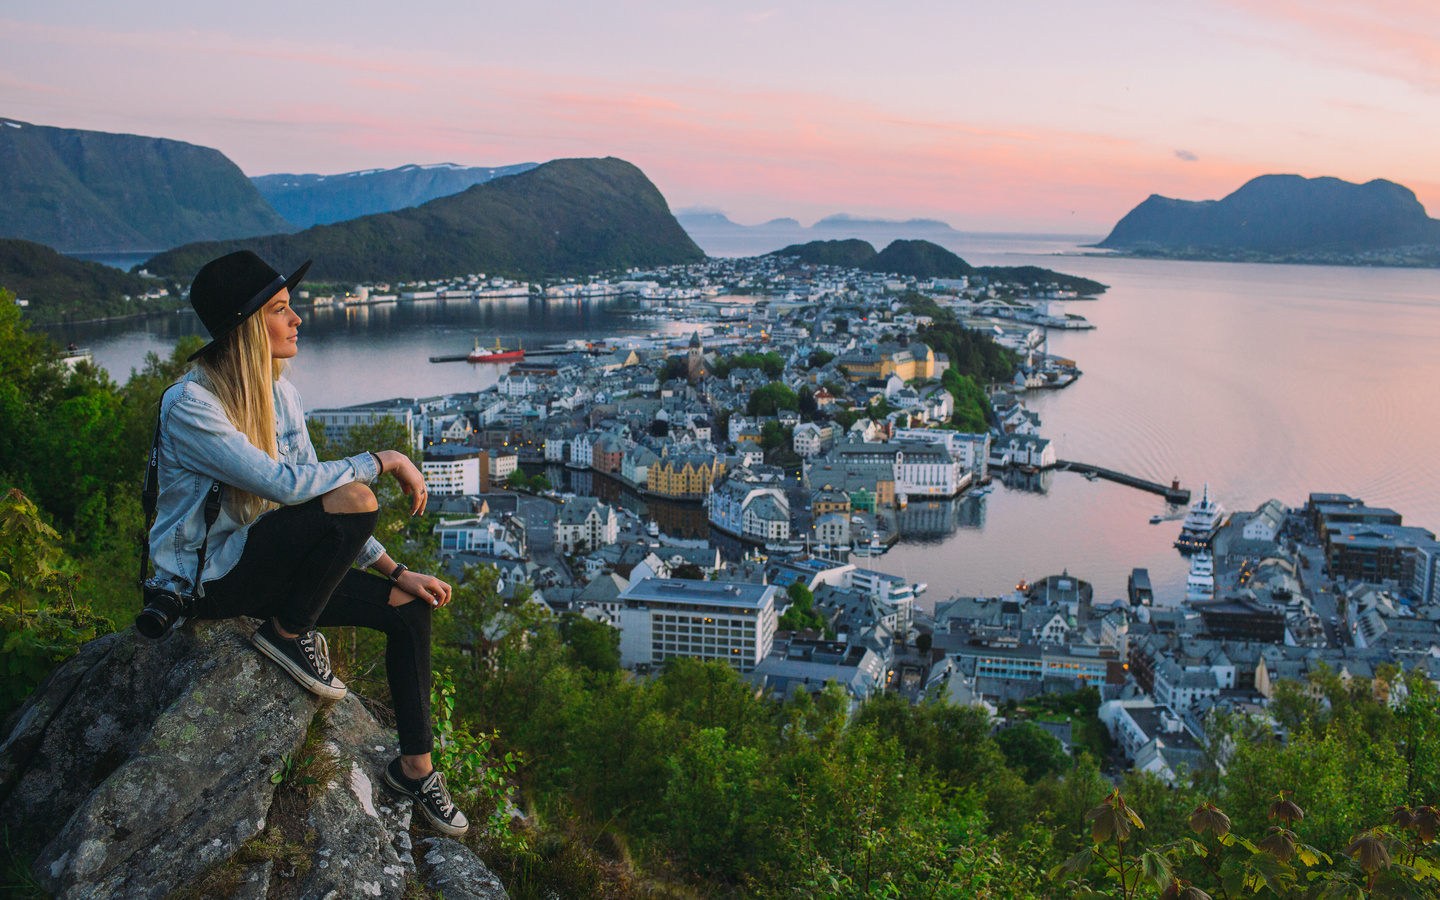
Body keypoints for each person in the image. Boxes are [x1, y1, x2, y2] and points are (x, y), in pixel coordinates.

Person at [146, 250, 467, 836]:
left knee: (411, 608)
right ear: (247, 327)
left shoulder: (281, 396)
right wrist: (384, 458)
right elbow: (287, 486)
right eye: (281, 309)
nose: (298, 320)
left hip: (268, 564)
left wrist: (397, 572)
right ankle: (287, 635)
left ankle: (413, 771)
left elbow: (317, 500)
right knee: (360, 495)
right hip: (212, 581)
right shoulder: (192, 405)